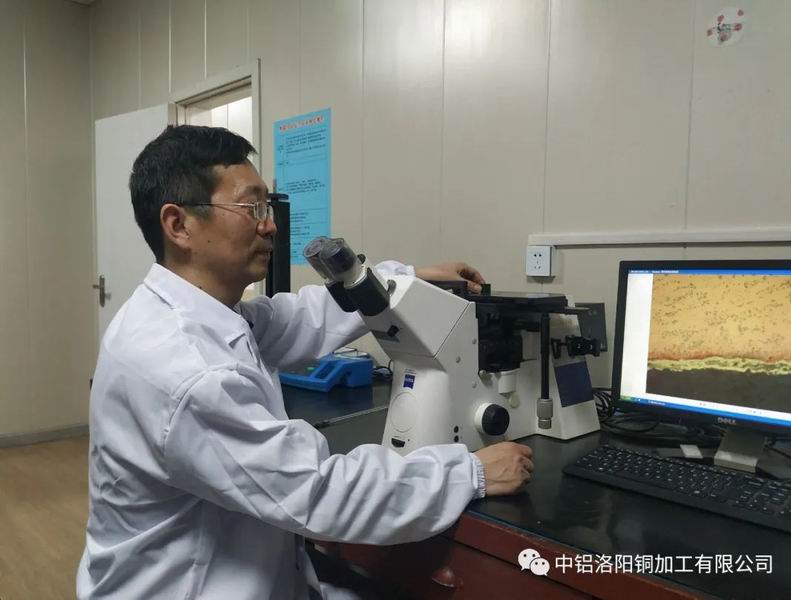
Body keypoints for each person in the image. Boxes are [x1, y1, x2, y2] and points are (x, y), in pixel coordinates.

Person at [76, 125, 534, 599]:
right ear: (179, 225)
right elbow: (318, 492)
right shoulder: (185, 368)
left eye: (268, 207)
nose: (270, 225)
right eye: (252, 207)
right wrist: (470, 473)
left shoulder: (193, 314)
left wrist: (407, 281)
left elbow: (297, 319)